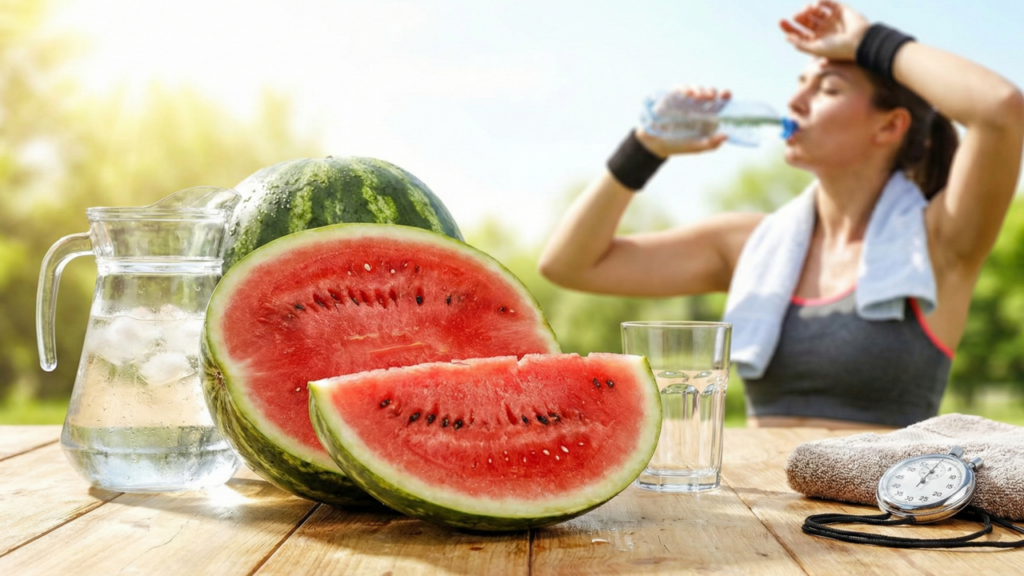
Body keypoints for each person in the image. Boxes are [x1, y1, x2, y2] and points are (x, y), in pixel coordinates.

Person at [538, 1, 1024, 430]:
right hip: (772, 523)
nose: (794, 101)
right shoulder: (750, 245)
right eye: (799, 83)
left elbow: (1000, 108)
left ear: (890, 126)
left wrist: (865, 40)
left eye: (828, 89)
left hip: (885, 522)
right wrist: (645, 148)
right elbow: (569, 263)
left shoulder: (937, 242)